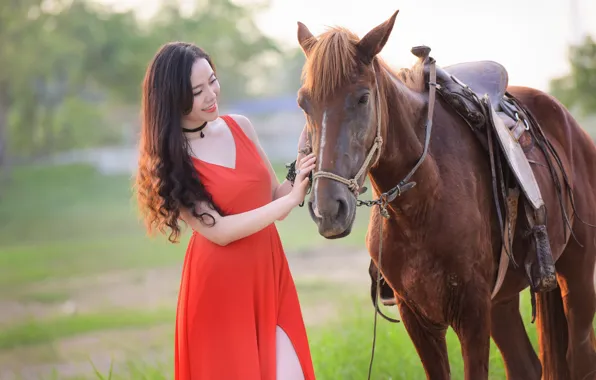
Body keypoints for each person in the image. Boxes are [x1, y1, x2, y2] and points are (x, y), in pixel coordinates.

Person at [135, 41, 317, 380]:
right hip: (219, 289)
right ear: (173, 98)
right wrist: (287, 201)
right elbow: (219, 231)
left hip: (267, 270)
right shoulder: (172, 159)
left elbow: (275, 199)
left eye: (212, 81)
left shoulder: (240, 126)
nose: (211, 95)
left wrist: (299, 163)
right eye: (197, 91)